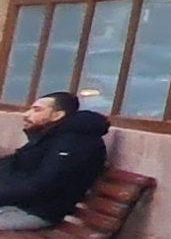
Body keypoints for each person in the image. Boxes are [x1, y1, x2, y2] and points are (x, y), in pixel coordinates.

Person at [0, 91, 109, 230]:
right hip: (18, 205)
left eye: (37, 110)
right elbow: (13, 166)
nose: (26, 114)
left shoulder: (74, 143)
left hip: (36, 212)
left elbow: (44, 185)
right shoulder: (50, 136)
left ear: (57, 115)